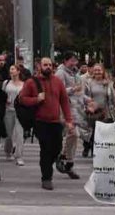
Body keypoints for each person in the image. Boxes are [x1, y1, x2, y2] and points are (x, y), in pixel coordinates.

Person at [19, 57, 74, 191]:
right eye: (45, 65)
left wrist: (69, 121)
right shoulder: (31, 82)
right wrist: (36, 99)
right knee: (45, 149)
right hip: (40, 122)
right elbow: (22, 99)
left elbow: (64, 102)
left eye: (50, 65)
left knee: (56, 148)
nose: (48, 67)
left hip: (55, 122)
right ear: (39, 66)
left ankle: (53, 162)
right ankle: (46, 178)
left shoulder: (58, 82)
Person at [55, 52, 82, 180]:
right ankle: (64, 157)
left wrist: (87, 102)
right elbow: (57, 91)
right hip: (64, 108)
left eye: (75, 60)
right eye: (71, 60)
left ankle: (67, 160)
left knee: (73, 135)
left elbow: (79, 92)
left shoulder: (75, 73)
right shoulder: (60, 73)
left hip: (74, 108)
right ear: (65, 61)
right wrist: (72, 90)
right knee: (73, 134)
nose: (74, 63)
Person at [83, 64, 115, 157]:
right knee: (93, 132)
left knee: (102, 132)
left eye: (99, 70)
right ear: (93, 72)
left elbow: (113, 97)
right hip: (93, 111)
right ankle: (89, 148)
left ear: (103, 71)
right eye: (95, 70)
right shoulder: (89, 82)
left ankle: (99, 152)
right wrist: (89, 103)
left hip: (104, 111)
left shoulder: (107, 82)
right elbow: (83, 95)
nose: (97, 72)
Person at [2, 65, 26, 166]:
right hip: (8, 111)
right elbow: (2, 95)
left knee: (20, 134)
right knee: (8, 134)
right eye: (10, 69)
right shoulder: (6, 83)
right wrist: (5, 100)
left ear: (18, 71)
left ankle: (19, 156)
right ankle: (8, 151)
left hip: (20, 111)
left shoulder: (24, 84)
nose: (11, 71)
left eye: (13, 69)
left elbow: (26, 96)